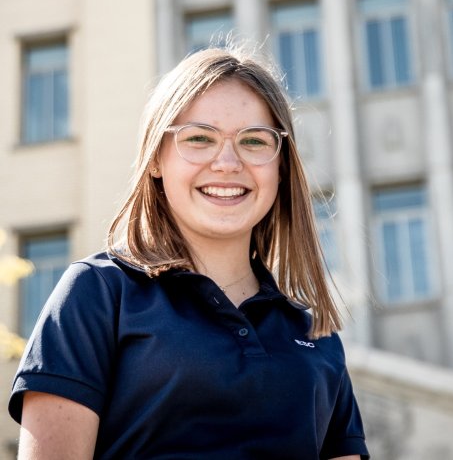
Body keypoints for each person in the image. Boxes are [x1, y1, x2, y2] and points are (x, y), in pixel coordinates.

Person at [9, 47, 369, 460]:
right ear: (157, 158)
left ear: (281, 166)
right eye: (199, 138)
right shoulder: (97, 293)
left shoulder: (316, 335)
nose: (228, 162)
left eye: (254, 141)